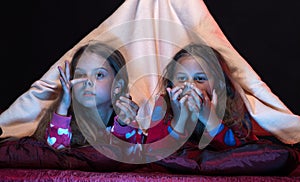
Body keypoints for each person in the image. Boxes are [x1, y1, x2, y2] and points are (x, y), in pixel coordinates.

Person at [33, 41, 140, 150]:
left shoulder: (129, 124)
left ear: (118, 85)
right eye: (80, 75)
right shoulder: (61, 121)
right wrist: (63, 108)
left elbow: (123, 159)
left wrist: (123, 126)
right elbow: (54, 158)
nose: (87, 81)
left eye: (99, 75)